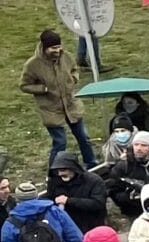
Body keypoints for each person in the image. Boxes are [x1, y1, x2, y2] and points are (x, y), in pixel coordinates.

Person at [20, 28, 95, 170]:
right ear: (44, 47)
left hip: (71, 105)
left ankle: (91, 164)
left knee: (84, 138)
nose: (57, 50)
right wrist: (43, 89)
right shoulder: (33, 65)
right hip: (51, 109)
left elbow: (74, 69)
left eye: (59, 46)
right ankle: (54, 172)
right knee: (60, 143)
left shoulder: (66, 56)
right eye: (53, 48)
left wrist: (73, 79)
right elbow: (24, 85)